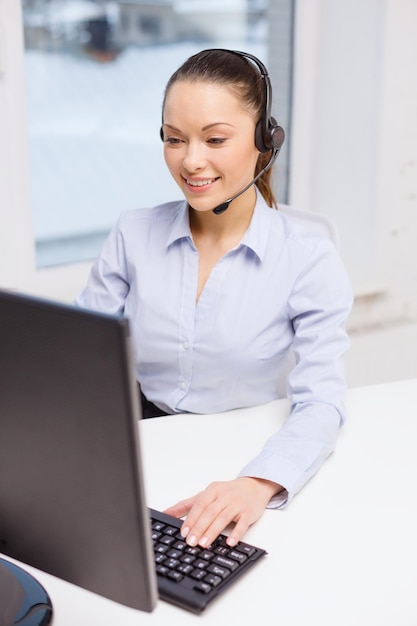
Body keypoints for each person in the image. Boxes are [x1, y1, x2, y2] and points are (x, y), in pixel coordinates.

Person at [75, 48, 353, 549]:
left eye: (215, 139)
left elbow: (322, 402)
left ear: (265, 142)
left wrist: (259, 482)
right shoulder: (132, 233)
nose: (191, 161)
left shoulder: (307, 257)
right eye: (174, 139)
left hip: (245, 457)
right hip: (141, 450)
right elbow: (73, 357)